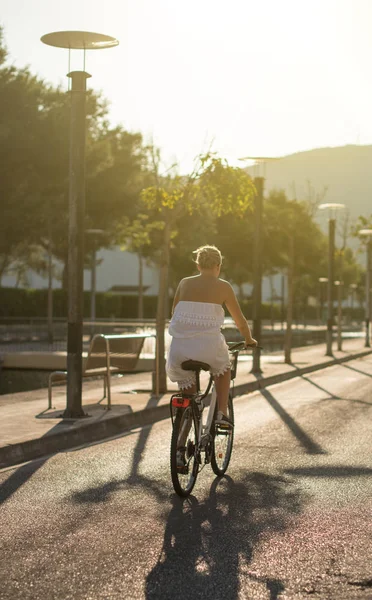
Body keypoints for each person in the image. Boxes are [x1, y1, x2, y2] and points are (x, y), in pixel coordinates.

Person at [166, 244, 257, 430]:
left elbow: (174, 312)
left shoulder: (184, 283)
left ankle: (181, 443)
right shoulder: (224, 287)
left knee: (188, 399)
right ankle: (222, 413)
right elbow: (240, 320)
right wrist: (249, 339)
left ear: (198, 265)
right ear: (219, 265)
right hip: (209, 348)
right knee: (224, 371)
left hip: (179, 351)